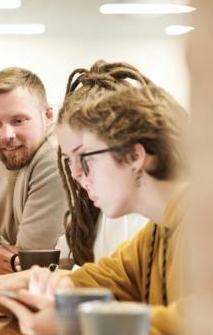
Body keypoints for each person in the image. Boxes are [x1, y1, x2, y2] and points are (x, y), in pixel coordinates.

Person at [0, 82, 188, 335]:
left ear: (135, 156)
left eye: (86, 157)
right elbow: (110, 277)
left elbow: (212, 322)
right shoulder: (158, 230)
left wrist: (78, 324)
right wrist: (34, 282)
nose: (75, 174)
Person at [0, 67, 68, 275]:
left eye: (18, 121)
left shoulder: (58, 158)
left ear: (48, 115)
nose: (6, 135)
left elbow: (30, 261)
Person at [55, 61, 151, 266]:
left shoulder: (154, 218)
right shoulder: (93, 209)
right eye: (68, 160)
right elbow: (65, 258)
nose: (75, 172)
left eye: (86, 156)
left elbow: (124, 279)